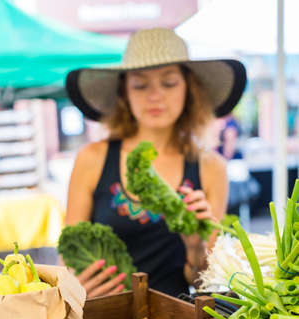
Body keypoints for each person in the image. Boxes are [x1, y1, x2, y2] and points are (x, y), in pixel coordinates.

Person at [65, 27, 246, 298]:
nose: (155, 95)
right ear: (125, 92)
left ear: (189, 88)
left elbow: (201, 283)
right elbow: (69, 252)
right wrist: (74, 286)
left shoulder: (211, 167)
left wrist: (196, 247)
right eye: (140, 84)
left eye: (169, 82)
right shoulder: (93, 159)